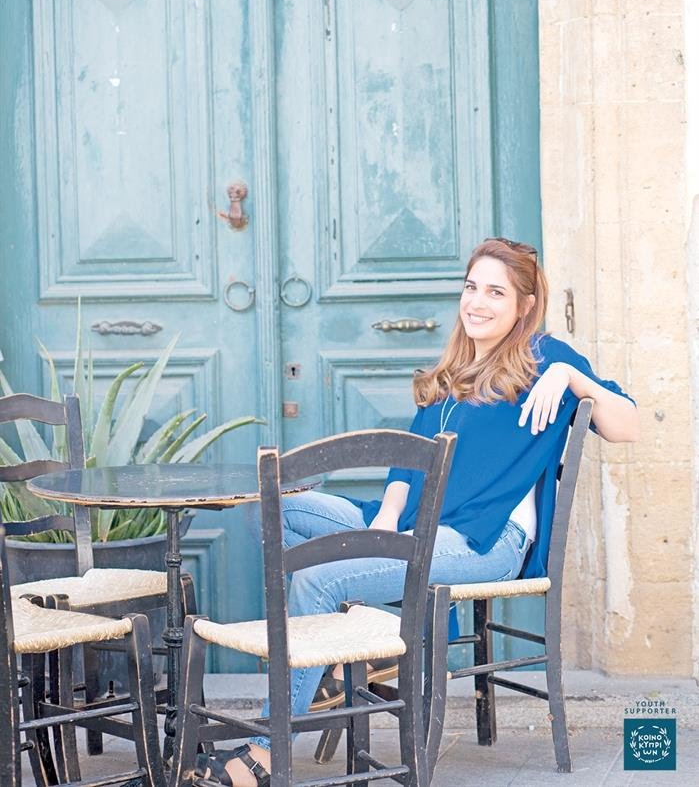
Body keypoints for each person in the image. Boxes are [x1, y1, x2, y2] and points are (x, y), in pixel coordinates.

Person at [202, 237, 639, 787]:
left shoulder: (546, 358)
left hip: (484, 540)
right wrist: (386, 520)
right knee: (270, 509)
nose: (477, 302)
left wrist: (571, 378)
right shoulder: (455, 369)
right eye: (471, 287)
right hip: (415, 522)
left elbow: (628, 426)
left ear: (525, 305)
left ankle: (267, 752)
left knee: (317, 580)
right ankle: (356, 653)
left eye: (496, 292)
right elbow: (407, 466)